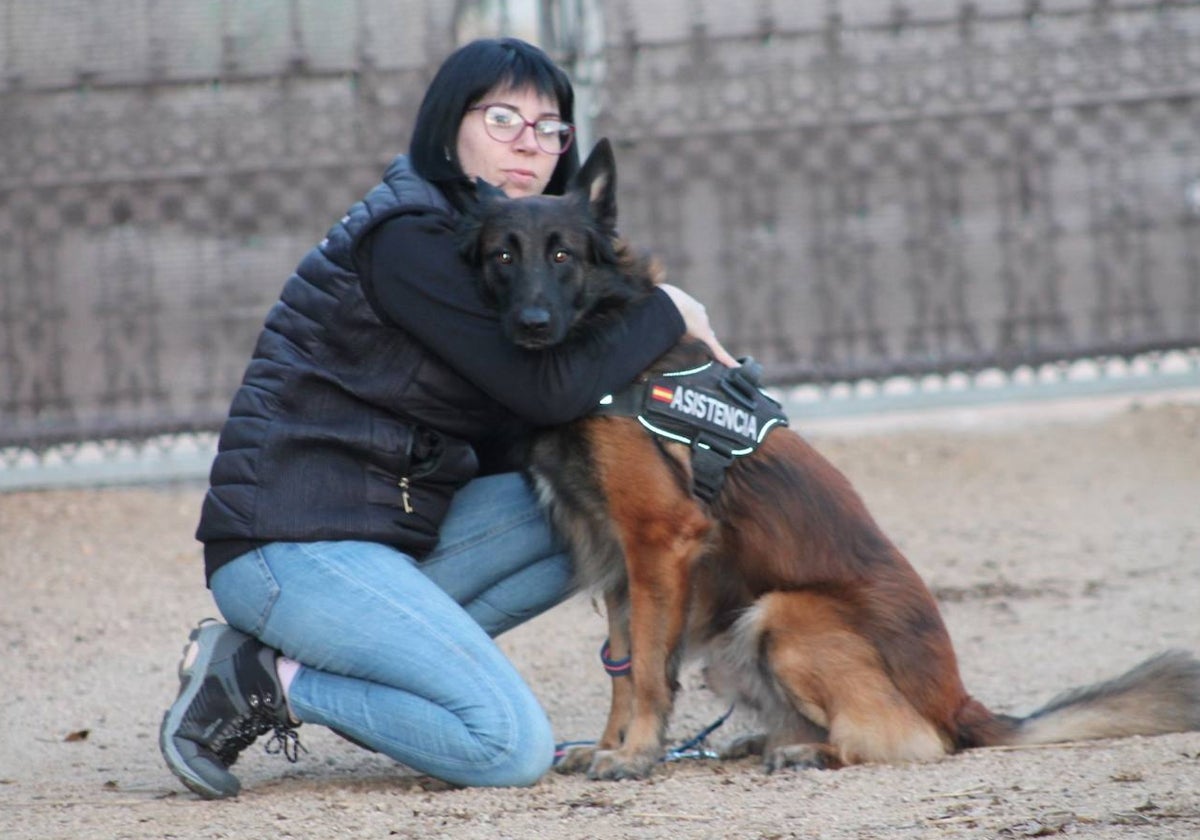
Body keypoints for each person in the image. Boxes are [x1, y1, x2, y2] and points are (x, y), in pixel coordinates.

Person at [158, 36, 734, 800]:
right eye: (503, 119)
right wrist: (665, 308)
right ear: (446, 128)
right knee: (505, 746)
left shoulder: (497, 241)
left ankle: (322, 658)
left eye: (549, 127)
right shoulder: (408, 239)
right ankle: (266, 681)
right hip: (292, 545)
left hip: (386, 534)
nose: (530, 142)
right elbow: (547, 394)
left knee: (588, 513)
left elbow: (539, 423)